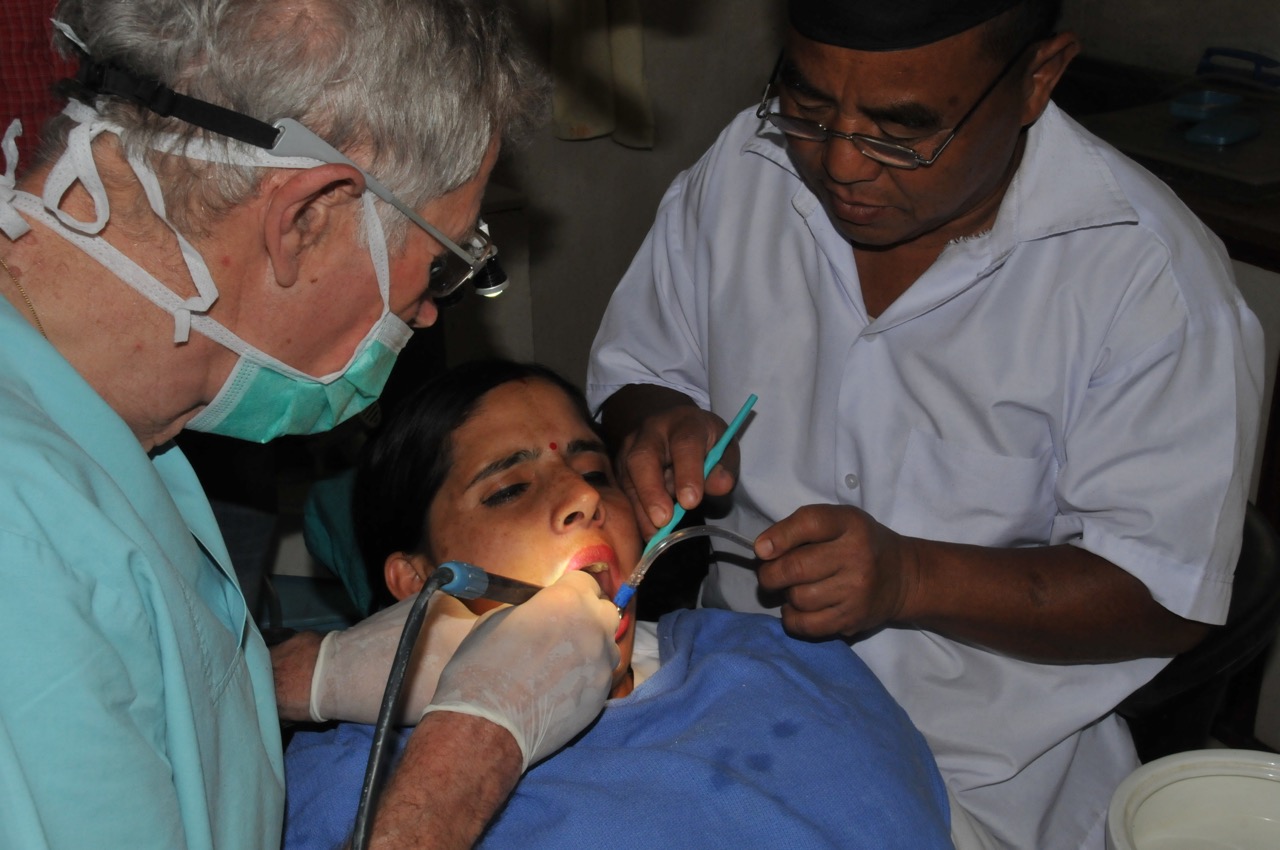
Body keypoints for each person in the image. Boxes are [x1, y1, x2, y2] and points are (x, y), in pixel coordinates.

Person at [586, 1, 1266, 848]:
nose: (841, 161)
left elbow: (1166, 595)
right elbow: (638, 371)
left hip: (980, 781)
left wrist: (911, 577)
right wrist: (659, 421)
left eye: (903, 130)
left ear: (1038, 79)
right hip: (733, 705)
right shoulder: (748, 169)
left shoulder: (1144, 279)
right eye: (809, 104)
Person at [0, 2, 620, 849]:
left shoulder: (114, 432)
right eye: (441, 263)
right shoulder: (24, 552)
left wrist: (295, 678)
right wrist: (469, 753)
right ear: (306, 217)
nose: (426, 313)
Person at [282, 358, 954, 850]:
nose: (583, 496)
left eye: (594, 471)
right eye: (510, 490)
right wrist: (471, 745)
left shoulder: (779, 658)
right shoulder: (357, 785)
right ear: (418, 579)